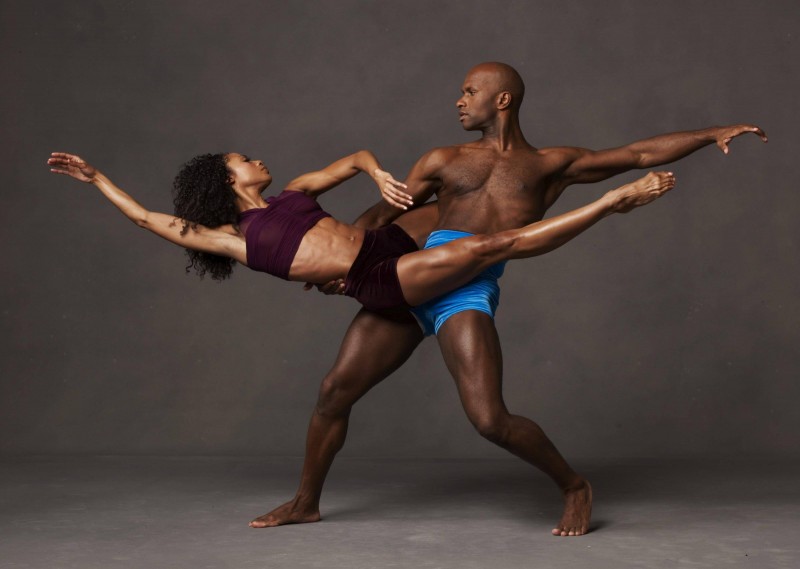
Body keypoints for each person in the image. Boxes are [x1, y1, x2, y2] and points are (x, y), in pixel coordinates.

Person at [254, 62, 767, 536]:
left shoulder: (550, 165)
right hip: (412, 278)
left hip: (465, 290)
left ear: (502, 100)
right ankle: (305, 501)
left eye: (469, 92)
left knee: (489, 420)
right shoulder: (441, 160)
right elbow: (380, 216)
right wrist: (342, 265)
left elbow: (636, 155)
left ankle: (574, 486)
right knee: (334, 392)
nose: (459, 101)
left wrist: (709, 134)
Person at [48, 151, 674, 316]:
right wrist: (98, 177)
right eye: (244, 159)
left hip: (386, 242)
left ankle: (567, 184)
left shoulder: (294, 192)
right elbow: (146, 218)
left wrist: (377, 175)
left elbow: (353, 158)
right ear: (228, 179)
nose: (256, 159)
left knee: (472, 201)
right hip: (374, 278)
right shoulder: (230, 238)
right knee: (492, 246)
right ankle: (613, 201)